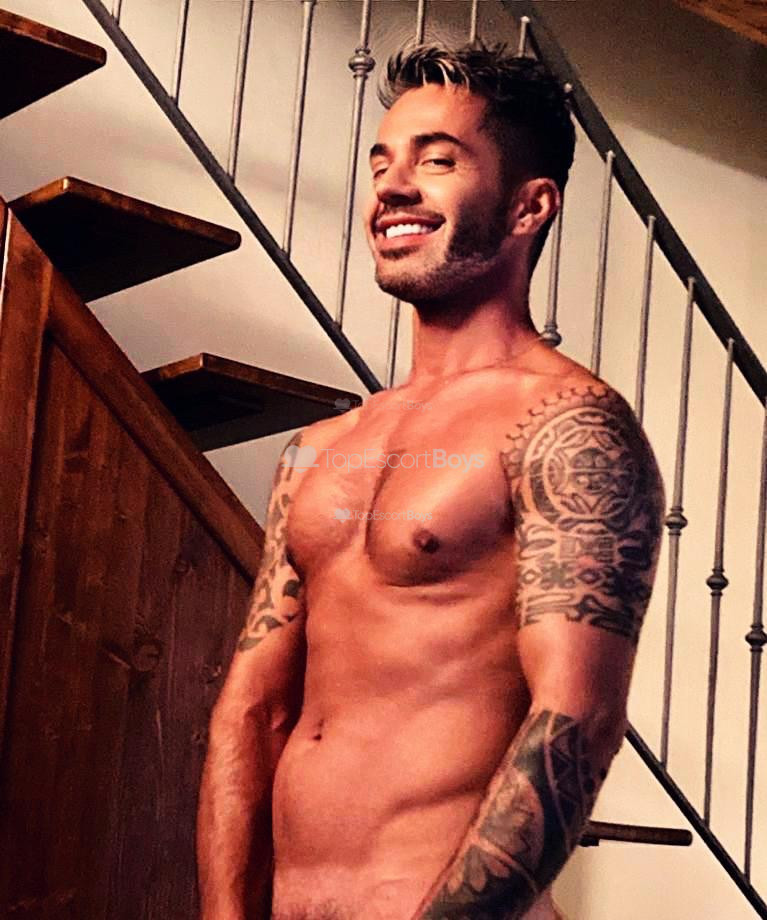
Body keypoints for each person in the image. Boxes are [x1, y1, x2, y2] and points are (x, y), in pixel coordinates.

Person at [197, 41, 665, 920]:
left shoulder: (567, 427)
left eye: (437, 161)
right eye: (382, 162)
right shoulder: (319, 448)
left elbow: (575, 716)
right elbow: (251, 709)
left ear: (529, 206)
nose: (392, 186)